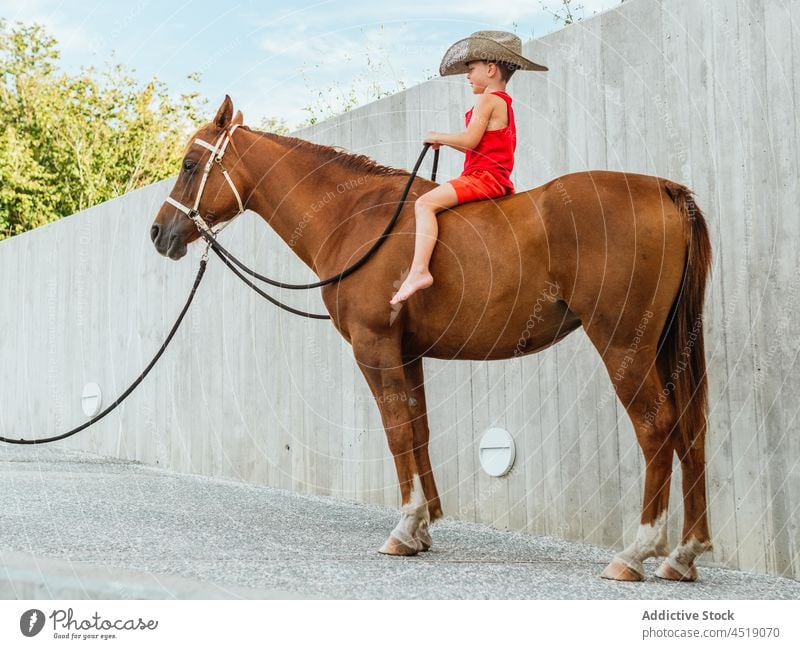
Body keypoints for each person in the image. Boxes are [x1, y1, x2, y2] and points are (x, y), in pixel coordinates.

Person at [390, 31, 547, 305]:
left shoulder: (487, 99)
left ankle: (419, 271)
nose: (467, 76)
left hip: (483, 179)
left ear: (490, 68)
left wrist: (438, 136)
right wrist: (448, 143)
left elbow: (470, 140)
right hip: (496, 178)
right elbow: (478, 146)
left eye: (471, 69)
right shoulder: (503, 103)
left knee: (424, 204)